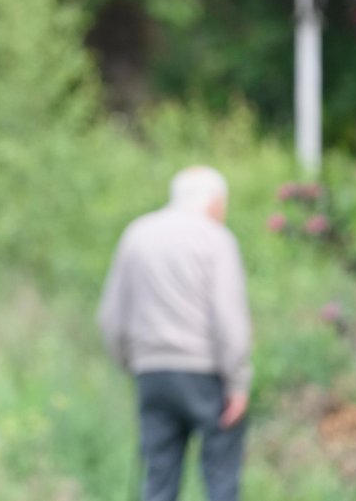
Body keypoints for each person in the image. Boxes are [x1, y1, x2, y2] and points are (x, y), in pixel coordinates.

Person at [97, 166, 252, 501]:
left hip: (151, 372)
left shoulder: (137, 234)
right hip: (205, 374)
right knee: (222, 481)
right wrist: (238, 383)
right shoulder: (216, 239)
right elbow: (229, 319)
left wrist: (132, 363)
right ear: (213, 202)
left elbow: (111, 316)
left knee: (158, 481)